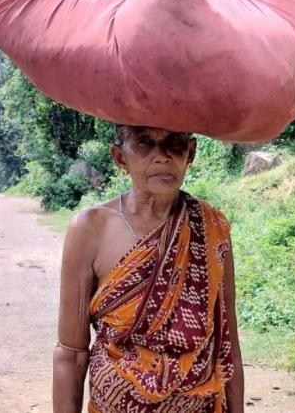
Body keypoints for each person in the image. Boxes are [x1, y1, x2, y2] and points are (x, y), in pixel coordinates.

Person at [52, 124, 244, 413]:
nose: (162, 156)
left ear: (190, 153)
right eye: (144, 142)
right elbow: (71, 354)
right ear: (120, 158)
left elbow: (228, 343)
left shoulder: (210, 228)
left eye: (174, 141)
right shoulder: (90, 229)